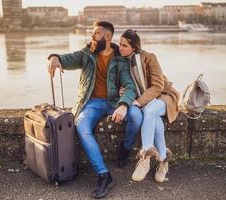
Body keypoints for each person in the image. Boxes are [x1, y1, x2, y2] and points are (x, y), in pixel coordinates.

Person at [48, 22, 142, 198]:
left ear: (107, 37)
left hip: (114, 101)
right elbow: (66, 59)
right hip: (91, 103)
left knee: (137, 115)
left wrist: (123, 104)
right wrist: (54, 57)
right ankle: (104, 175)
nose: (92, 37)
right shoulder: (86, 54)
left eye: (96, 34)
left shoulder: (120, 59)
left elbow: (129, 86)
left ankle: (126, 148)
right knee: (81, 125)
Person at [118, 29, 180, 183]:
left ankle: (145, 156)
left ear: (134, 48)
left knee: (151, 110)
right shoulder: (123, 62)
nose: (120, 48)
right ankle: (163, 161)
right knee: (154, 120)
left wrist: (138, 102)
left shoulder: (150, 58)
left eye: (124, 45)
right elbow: (128, 84)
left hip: (163, 97)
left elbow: (158, 86)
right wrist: (122, 90)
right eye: (119, 44)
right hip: (147, 101)